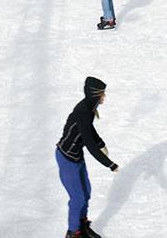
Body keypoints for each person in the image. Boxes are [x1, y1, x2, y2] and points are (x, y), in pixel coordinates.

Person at [55, 76, 118, 238]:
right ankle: (73, 232)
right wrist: (109, 164)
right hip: (66, 158)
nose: (104, 97)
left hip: (76, 156)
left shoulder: (89, 109)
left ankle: (81, 226)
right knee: (77, 197)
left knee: (86, 192)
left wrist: (101, 143)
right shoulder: (83, 112)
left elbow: (90, 131)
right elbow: (89, 144)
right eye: (102, 94)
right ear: (94, 95)